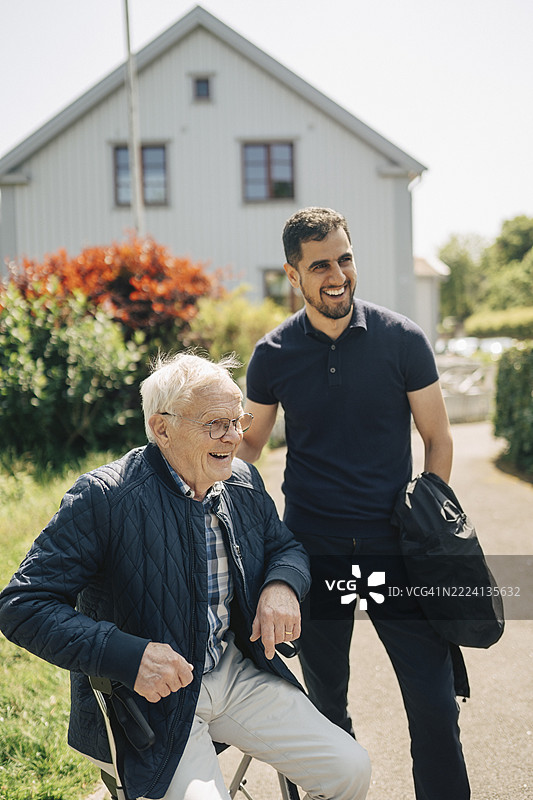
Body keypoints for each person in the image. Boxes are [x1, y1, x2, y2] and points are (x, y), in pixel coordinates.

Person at [0, 352, 371, 800]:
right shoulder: (104, 497)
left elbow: (284, 546)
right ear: (162, 428)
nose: (233, 436)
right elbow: (22, 606)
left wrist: (281, 586)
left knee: (351, 770)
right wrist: (129, 656)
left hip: (234, 673)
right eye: (215, 424)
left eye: (237, 421)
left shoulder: (242, 481)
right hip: (148, 701)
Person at [239, 207, 471, 800]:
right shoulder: (273, 353)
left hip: (396, 548)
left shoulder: (402, 339)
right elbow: (249, 446)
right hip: (312, 551)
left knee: (434, 701)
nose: (337, 275)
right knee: (324, 707)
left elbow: (438, 437)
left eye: (344, 258)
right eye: (320, 265)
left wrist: (430, 522)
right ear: (294, 275)